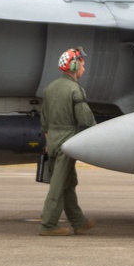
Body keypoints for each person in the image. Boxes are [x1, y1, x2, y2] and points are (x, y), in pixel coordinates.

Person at [39, 46, 98, 236]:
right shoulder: (75, 89)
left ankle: (78, 222)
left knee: (67, 182)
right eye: (82, 65)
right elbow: (85, 119)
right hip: (67, 140)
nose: (84, 69)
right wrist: (98, 134)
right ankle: (48, 225)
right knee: (58, 185)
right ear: (74, 65)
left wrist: (49, 141)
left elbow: (44, 120)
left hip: (52, 140)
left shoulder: (50, 88)